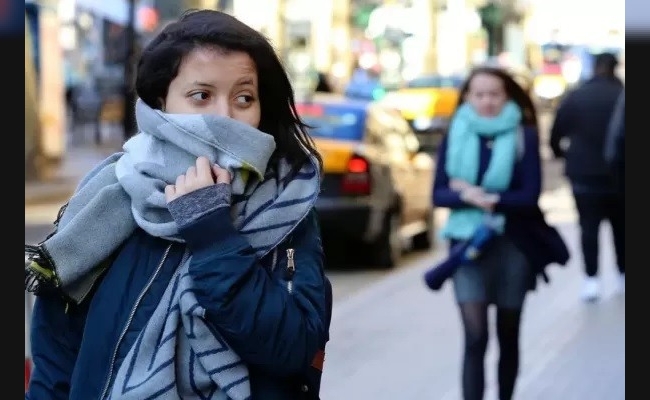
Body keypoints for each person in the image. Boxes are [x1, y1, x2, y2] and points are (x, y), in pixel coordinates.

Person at [25, 9, 331, 400]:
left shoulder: (286, 208)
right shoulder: (107, 197)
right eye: (201, 96)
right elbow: (55, 352)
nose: (225, 116)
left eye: (244, 97)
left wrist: (213, 234)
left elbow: (293, 348)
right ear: (160, 103)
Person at [433, 66, 567, 400]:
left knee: (508, 333)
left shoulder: (524, 134)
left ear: (507, 96)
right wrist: (464, 195)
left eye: (495, 94)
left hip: (513, 244)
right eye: (479, 95)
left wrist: (488, 199)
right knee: (475, 336)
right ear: (467, 97)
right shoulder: (456, 132)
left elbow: (530, 194)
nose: (487, 101)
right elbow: (438, 194)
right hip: (467, 245)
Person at [549, 52, 624, 301]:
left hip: (584, 174)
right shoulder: (621, 95)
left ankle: (591, 279)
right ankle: (623, 275)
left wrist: (563, 155)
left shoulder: (577, 96)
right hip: (619, 176)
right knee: (622, 228)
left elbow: (556, 133)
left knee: (588, 228)